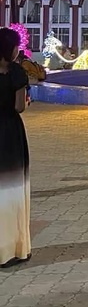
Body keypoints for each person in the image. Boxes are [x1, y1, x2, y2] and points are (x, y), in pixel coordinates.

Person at [0, 27, 31, 268]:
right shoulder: (17, 73)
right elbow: (19, 107)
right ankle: (13, 248)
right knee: (11, 190)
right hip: (9, 132)